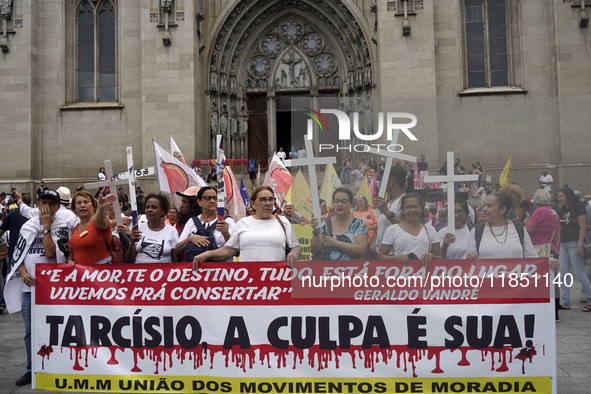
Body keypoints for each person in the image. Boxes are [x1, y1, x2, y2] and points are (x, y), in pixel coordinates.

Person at [6, 189, 76, 387]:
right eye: (43, 202)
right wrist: (23, 272)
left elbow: (49, 252)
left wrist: (46, 227)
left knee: (59, 328)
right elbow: (19, 252)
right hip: (31, 289)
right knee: (30, 331)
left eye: (51, 203)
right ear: (37, 205)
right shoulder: (28, 225)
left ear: (57, 206)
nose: (46, 207)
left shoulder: (62, 225)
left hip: (54, 290)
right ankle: (31, 368)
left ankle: (60, 365)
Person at [192, 186, 301, 267]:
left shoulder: (283, 221)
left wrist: (293, 255)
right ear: (253, 204)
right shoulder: (243, 223)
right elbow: (229, 250)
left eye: (271, 199)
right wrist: (207, 254)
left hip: (276, 279)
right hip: (248, 280)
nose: (268, 203)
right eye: (263, 199)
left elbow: (296, 247)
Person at [466, 191, 538, 260]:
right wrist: (470, 256)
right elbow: (470, 263)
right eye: (484, 205)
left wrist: (548, 265)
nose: (484, 209)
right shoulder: (476, 231)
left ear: (502, 210)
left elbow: (533, 258)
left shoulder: (519, 229)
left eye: (489, 206)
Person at [378, 193, 442, 266]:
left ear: (421, 208)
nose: (412, 210)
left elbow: (440, 258)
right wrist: (395, 258)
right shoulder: (392, 229)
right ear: (402, 209)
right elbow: (381, 257)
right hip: (400, 275)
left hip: (424, 276)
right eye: (408, 207)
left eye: (416, 206)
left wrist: (432, 256)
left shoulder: (431, 230)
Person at [175, 186, 235, 262]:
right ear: (199, 201)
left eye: (215, 198)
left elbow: (236, 250)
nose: (212, 201)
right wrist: (190, 238)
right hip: (197, 271)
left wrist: (226, 233)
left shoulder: (227, 221)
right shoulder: (192, 221)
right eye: (208, 198)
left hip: (221, 270)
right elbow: (178, 249)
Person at [555, 187, 591, 311]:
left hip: (574, 243)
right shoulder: (562, 210)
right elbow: (560, 229)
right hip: (564, 244)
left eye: (561, 196)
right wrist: (557, 245)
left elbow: (582, 227)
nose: (559, 199)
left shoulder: (578, 207)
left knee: (579, 273)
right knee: (562, 272)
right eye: (558, 196)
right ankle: (565, 301)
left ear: (568, 196)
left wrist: (580, 244)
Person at [311, 188, 368, 261]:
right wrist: (316, 233)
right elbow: (315, 251)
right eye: (337, 201)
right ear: (333, 203)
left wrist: (336, 243)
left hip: (353, 271)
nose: (340, 204)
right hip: (328, 271)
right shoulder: (325, 223)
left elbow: (362, 250)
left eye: (344, 201)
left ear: (351, 204)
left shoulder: (359, 224)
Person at [68, 191, 118, 265]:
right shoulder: (76, 228)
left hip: (100, 272)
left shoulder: (99, 221)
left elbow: (100, 219)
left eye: (86, 202)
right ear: (74, 208)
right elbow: (73, 249)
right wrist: (69, 260)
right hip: (81, 273)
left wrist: (101, 208)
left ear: (94, 206)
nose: (82, 205)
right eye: (78, 203)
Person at [126, 194, 179, 264]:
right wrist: (132, 242)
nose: (149, 210)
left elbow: (175, 259)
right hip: (140, 273)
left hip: (164, 273)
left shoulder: (172, 231)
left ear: (163, 211)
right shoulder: (138, 228)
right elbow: (128, 261)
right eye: (147, 207)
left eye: (154, 207)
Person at [375, 165, 410, 250]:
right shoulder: (391, 202)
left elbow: (408, 227)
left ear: (393, 180)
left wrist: (387, 212)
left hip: (396, 254)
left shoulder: (405, 200)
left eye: (384, 179)